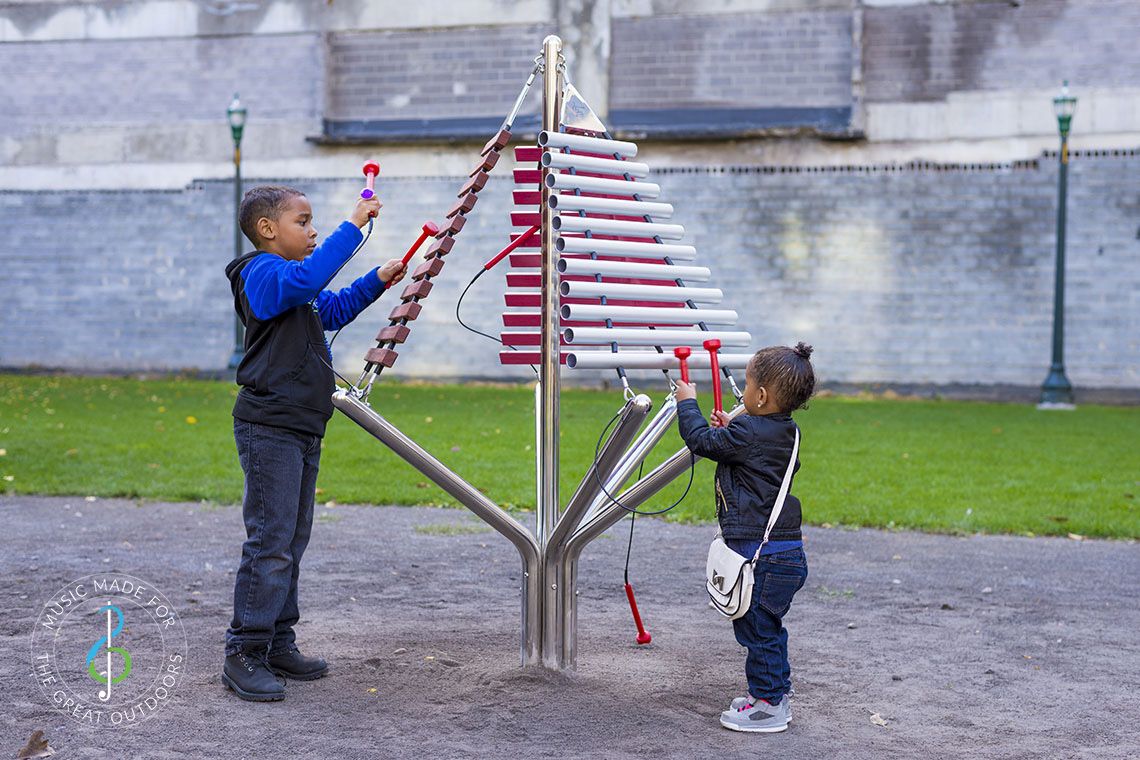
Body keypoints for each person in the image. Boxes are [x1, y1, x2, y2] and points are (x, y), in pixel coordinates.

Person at [221, 185, 407, 702]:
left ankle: (278, 641)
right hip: (269, 426)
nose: (313, 230)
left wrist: (376, 280)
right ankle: (244, 651)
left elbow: (332, 308)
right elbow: (306, 279)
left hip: (302, 426)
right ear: (267, 230)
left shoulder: (296, 295)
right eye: (303, 222)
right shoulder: (260, 273)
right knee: (270, 542)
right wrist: (353, 226)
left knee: (291, 541)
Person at [675, 342, 816, 733]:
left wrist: (687, 403)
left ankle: (768, 706)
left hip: (762, 554)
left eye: (749, 384)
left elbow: (703, 443)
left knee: (757, 630)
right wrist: (732, 431)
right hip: (783, 552)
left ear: (761, 395)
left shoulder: (750, 432)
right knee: (767, 628)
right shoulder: (784, 430)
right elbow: (742, 450)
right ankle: (772, 695)